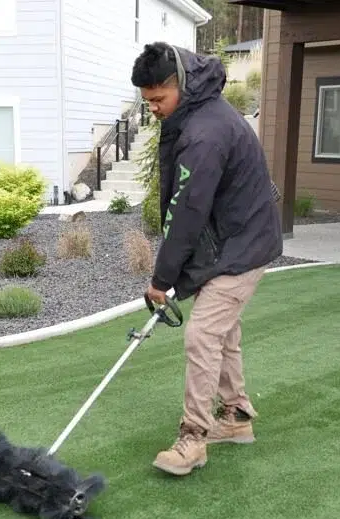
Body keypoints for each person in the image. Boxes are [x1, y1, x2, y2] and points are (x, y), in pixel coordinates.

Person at [130, 42, 283, 476]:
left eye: (158, 99)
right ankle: (235, 417)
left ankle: (194, 438)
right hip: (235, 237)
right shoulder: (197, 114)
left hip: (245, 245)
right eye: (147, 102)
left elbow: (187, 213)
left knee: (202, 335)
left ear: (180, 84)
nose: (153, 109)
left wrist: (161, 281)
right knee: (222, 332)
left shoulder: (205, 134)